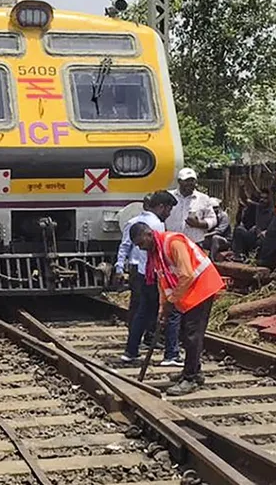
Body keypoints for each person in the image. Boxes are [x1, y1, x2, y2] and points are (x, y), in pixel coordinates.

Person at [131, 222, 225, 396]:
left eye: (140, 243)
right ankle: (193, 371)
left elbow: (187, 274)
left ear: (149, 234)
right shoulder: (156, 252)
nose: (141, 248)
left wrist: (173, 299)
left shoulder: (172, 243)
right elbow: (163, 282)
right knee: (184, 332)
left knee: (192, 334)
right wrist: (163, 307)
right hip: (190, 291)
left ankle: (191, 378)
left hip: (203, 287)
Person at [116, 191, 180, 365]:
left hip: (138, 271)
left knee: (140, 312)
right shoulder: (156, 225)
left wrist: (119, 267)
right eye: (169, 209)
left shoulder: (133, 221)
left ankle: (131, 350)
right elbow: (157, 254)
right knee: (171, 312)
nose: (169, 214)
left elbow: (124, 247)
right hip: (153, 274)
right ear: (161, 206)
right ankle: (171, 354)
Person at [167, 168, 217, 245]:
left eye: (192, 180)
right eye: (186, 180)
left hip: (195, 242)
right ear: (179, 181)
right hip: (172, 241)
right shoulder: (169, 196)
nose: (190, 183)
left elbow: (212, 219)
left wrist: (199, 223)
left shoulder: (203, 198)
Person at [232, 182, 273, 261]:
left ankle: (258, 260)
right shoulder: (258, 207)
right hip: (254, 236)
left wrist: (265, 232)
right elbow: (246, 200)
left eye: (265, 198)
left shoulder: (273, 212)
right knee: (239, 230)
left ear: (269, 200)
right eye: (261, 198)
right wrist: (241, 188)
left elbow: (274, 228)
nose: (262, 200)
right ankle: (239, 256)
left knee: (262, 240)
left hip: (265, 238)